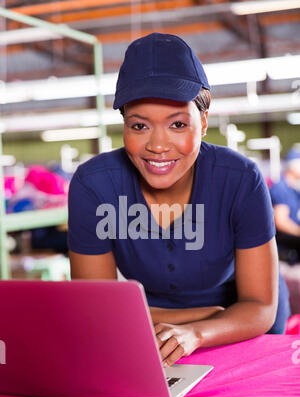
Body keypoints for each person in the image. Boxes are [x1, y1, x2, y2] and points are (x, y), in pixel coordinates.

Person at [68, 32, 291, 367]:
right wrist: (202, 315)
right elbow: (95, 311)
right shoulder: (94, 186)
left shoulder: (240, 179)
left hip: (242, 323)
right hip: (154, 329)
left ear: (202, 121)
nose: (158, 145)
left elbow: (259, 305)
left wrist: (199, 331)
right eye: (139, 126)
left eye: (177, 124)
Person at [269, 147, 300, 263]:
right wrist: (298, 231)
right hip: (284, 245)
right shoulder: (281, 188)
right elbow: (280, 221)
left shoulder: (294, 190)